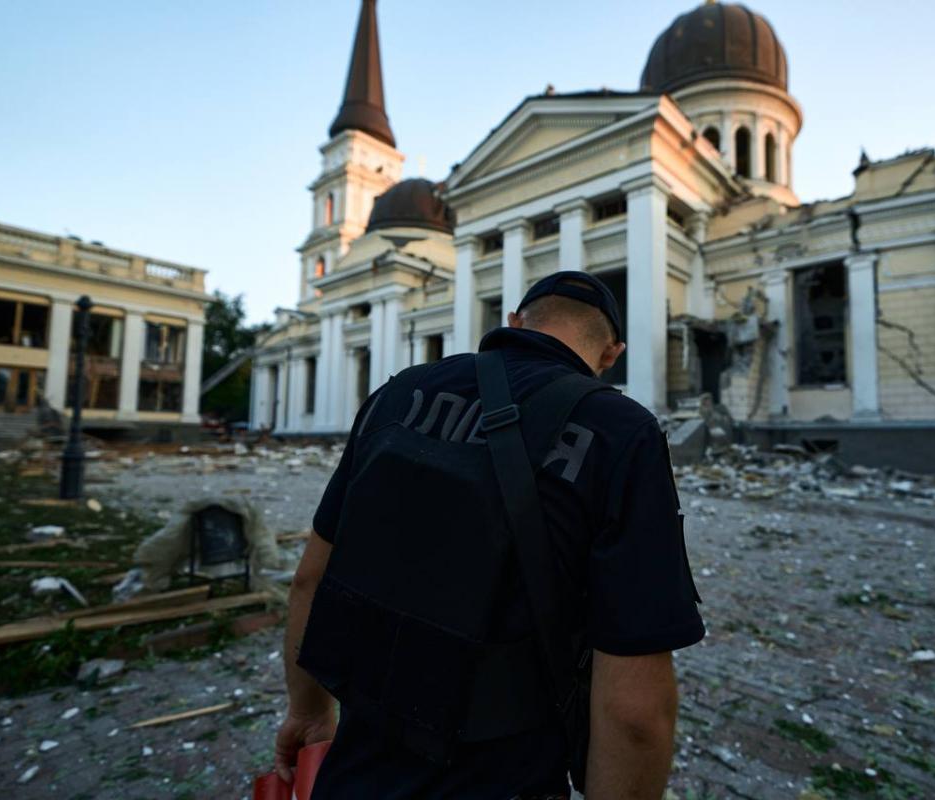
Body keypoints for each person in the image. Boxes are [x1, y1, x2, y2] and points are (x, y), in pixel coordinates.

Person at [276, 271, 705, 799]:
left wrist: (309, 709)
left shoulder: (399, 394)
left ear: (515, 322)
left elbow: (308, 582)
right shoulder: (621, 431)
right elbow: (635, 711)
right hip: (505, 776)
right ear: (611, 354)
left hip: (358, 770)